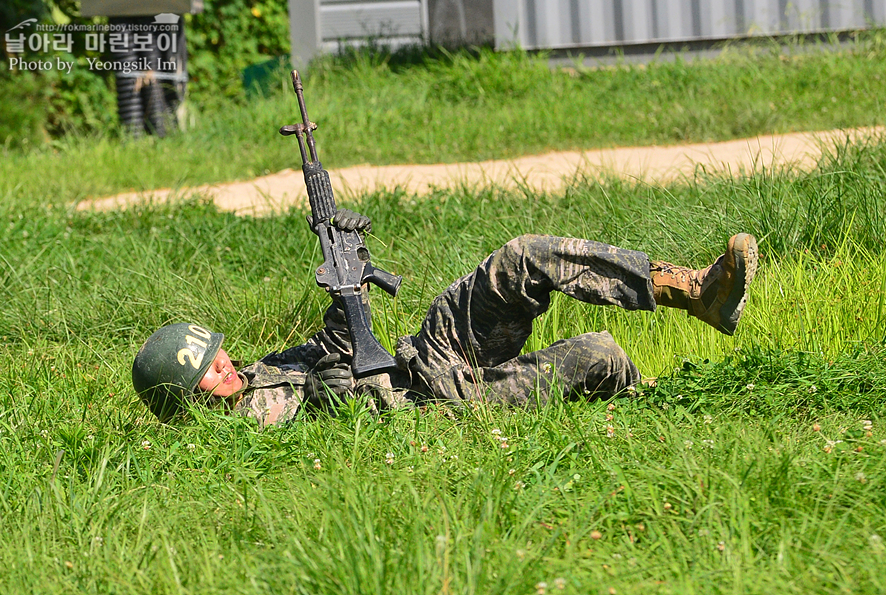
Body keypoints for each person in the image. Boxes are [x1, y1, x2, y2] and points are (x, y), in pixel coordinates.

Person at [132, 209, 758, 428]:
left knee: (521, 258)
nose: (222, 360)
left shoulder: (261, 371)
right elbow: (335, 399)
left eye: (213, 350)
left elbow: (335, 343)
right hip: (438, 401)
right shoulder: (244, 426)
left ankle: (694, 291)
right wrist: (331, 382)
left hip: (422, 358)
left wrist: (347, 270)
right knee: (598, 356)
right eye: (204, 368)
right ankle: (649, 403)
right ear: (184, 398)